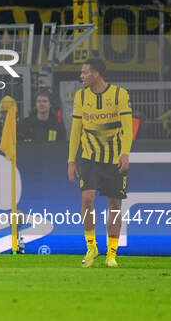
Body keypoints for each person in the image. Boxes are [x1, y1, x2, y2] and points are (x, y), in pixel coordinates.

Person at [67, 58, 133, 268]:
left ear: (96, 74)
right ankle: (91, 247)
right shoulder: (81, 96)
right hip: (89, 158)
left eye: (85, 72)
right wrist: (71, 160)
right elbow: (76, 130)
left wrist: (125, 153)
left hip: (114, 159)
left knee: (114, 205)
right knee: (87, 198)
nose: (81, 76)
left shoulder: (119, 95)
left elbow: (127, 128)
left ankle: (111, 254)